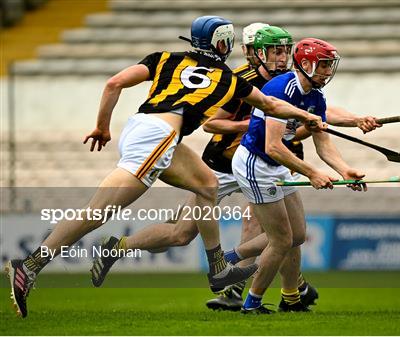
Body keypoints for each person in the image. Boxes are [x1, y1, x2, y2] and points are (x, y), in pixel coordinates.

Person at [5, 16, 324, 319]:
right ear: (223, 45)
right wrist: (307, 116)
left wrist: (103, 127)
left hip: (144, 126)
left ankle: (218, 267)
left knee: (206, 184)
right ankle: (30, 265)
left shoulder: (164, 58)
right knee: (98, 212)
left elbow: (114, 83)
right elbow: (270, 105)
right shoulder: (228, 79)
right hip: (160, 136)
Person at [231, 37, 376, 314]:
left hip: (276, 163)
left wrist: (344, 170)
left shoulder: (315, 97)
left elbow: (322, 141)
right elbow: (272, 146)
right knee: (281, 240)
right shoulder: (280, 88)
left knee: (297, 235)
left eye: (329, 66)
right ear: (306, 63)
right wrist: (312, 173)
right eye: (322, 65)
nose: (326, 71)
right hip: (255, 163)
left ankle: (285, 295)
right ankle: (252, 304)